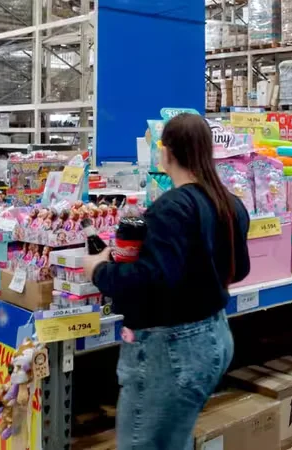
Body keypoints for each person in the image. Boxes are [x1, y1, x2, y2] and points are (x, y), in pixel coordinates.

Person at [82, 113, 250, 449]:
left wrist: (98, 270)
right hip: (214, 334)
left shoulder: (172, 208)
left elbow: (149, 281)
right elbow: (240, 268)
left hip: (170, 350)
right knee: (173, 438)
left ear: (166, 152)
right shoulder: (229, 202)